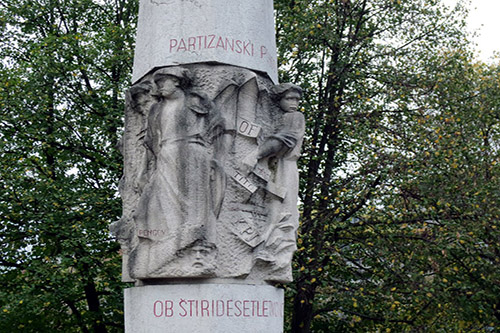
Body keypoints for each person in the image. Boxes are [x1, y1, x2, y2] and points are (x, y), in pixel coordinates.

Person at [129, 67, 225, 278]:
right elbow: (151, 142)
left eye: (164, 81)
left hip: (192, 152)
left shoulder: (196, 101)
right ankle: (171, 243)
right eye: (159, 82)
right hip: (166, 155)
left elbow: (218, 126)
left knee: (194, 202)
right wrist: (144, 171)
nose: (160, 86)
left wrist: (214, 159)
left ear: (178, 82)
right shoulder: (156, 110)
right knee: (161, 199)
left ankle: (193, 247)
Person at [244, 83, 305, 281]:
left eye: (296, 99)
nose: (294, 103)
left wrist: (256, 154)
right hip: (274, 167)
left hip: (284, 167)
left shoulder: (294, 117)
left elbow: (286, 140)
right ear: (279, 100)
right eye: (289, 98)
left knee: (282, 211)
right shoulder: (279, 117)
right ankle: (267, 250)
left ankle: (273, 252)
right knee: (272, 207)